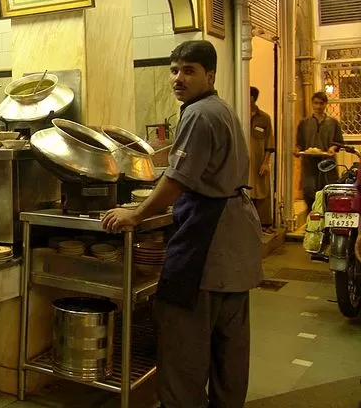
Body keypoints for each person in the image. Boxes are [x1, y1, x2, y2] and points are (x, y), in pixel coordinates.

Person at [103, 40, 263, 408]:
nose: (178, 78)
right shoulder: (220, 108)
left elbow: (177, 180)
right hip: (236, 246)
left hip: (208, 243)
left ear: (210, 75)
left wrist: (135, 214)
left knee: (183, 349)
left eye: (189, 71)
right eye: (174, 70)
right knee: (229, 348)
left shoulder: (199, 114)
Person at [296, 91, 343, 212]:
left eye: (321, 103)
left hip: (327, 163)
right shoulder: (304, 123)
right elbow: (300, 143)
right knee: (309, 191)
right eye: (316, 103)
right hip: (309, 163)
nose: (318, 106)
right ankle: (311, 219)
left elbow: (339, 142)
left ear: (326, 104)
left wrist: (332, 148)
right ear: (312, 104)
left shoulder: (333, 123)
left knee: (328, 192)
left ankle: (327, 220)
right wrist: (297, 150)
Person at [249, 87, 276, 233]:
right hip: (244, 162)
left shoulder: (264, 118)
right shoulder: (239, 114)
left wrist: (266, 163)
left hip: (259, 162)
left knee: (262, 191)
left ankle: (265, 224)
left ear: (253, 98)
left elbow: (269, 143)